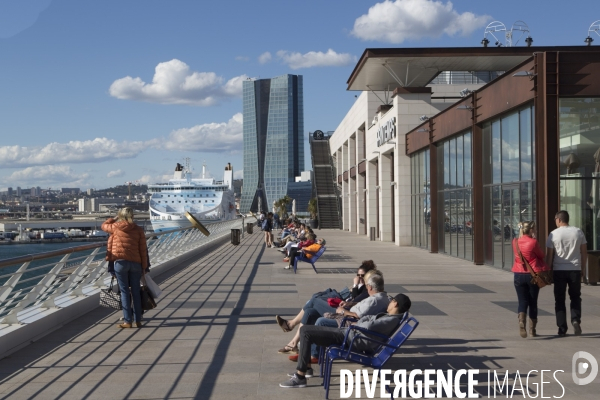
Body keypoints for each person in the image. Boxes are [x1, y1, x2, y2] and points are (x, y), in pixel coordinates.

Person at [279, 294, 412, 388]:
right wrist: (363, 321)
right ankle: (306, 369)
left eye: (391, 300)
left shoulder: (391, 319)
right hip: (351, 335)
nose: (389, 302)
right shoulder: (391, 316)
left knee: (306, 332)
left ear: (395, 303)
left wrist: (363, 322)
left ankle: (300, 377)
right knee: (306, 330)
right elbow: (367, 320)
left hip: (351, 339)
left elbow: (367, 325)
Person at [274, 263, 377, 353]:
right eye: (358, 275)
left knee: (314, 300)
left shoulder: (368, 290)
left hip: (342, 315)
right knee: (310, 311)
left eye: (362, 276)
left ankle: (291, 324)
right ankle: (293, 343)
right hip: (342, 310)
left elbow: (355, 299)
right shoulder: (363, 287)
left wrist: (355, 285)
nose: (359, 278)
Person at [102, 207, 148, 329]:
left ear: (120, 216)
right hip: (136, 264)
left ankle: (128, 321)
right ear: (133, 216)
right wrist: (144, 266)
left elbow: (104, 225)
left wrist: (115, 218)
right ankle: (138, 320)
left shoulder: (115, 227)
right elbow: (143, 250)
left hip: (121, 263)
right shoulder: (138, 230)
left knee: (124, 292)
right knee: (136, 292)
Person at [545, 210, 588, 337]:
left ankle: (562, 327)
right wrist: (583, 269)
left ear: (558, 219)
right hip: (575, 268)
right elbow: (584, 252)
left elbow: (549, 255)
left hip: (559, 270)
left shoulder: (553, 234)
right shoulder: (578, 232)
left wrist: (548, 271)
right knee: (575, 297)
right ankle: (575, 320)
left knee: (559, 299)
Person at [512, 221, 549, 338]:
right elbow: (541, 255)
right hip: (532, 274)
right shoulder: (533, 242)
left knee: (522, 300)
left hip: (518, 273)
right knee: (533, 302)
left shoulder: (515, 242)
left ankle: (521, 320)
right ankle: (532, 330)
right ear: (531, 230)